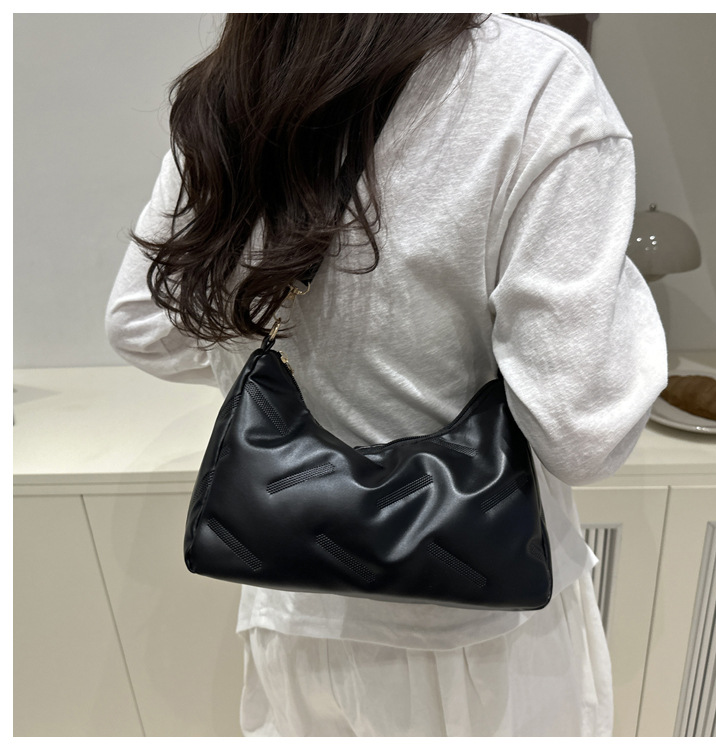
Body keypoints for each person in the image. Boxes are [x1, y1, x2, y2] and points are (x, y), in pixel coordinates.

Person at [105, 13, 667, 737]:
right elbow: (582, 432)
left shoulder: (246, 69)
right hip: (486, 644)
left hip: (294, 610)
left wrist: (284, 364)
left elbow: (143, 323)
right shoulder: (537, 77)